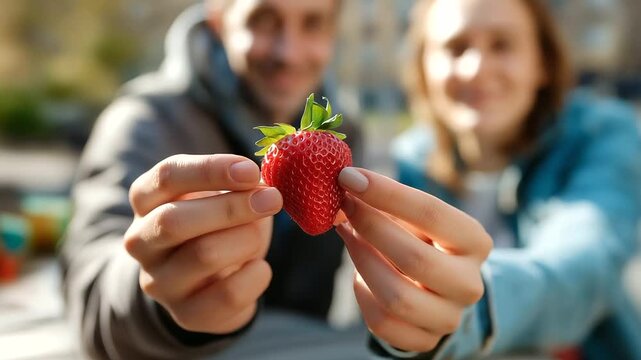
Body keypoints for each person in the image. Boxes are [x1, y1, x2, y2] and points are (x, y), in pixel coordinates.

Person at [333, 0, 641, 358]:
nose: (476, 67)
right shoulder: (406, 163)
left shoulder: (602, 134)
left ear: (541, 62)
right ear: (423, 67)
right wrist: (399, 328)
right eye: (455, 47)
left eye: (502, 45)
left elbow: (585, 262)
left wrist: (474, 305)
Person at [60, 0, 367, 359]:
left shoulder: (341, 134)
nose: (289, 52)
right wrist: (159, 298)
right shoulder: (143, 123)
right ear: (219, 22)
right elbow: (91, 288)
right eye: (263, 21)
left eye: (313, 23)